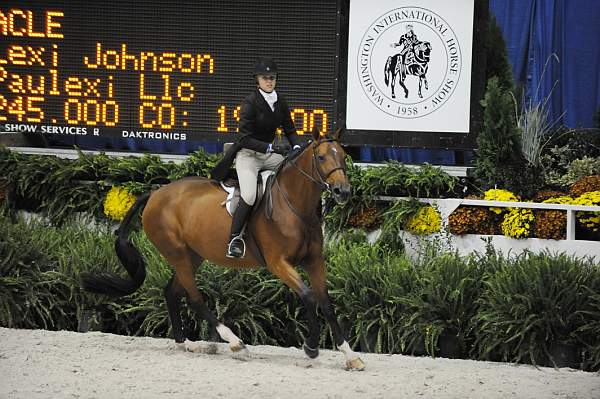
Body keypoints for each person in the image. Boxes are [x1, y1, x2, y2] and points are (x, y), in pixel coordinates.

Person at [220, 57, 302, 258]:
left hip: (269, 155)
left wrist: (297, 146)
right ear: (257, 80)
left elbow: (290, 128)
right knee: (249, 195)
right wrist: (270, 147)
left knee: (296, 172)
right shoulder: (250, 102)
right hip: (249, 156)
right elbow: (243, 137)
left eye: (272, 78)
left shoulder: (280, 101)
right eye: (265, 78)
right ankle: (234, 239)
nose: (269, 81)